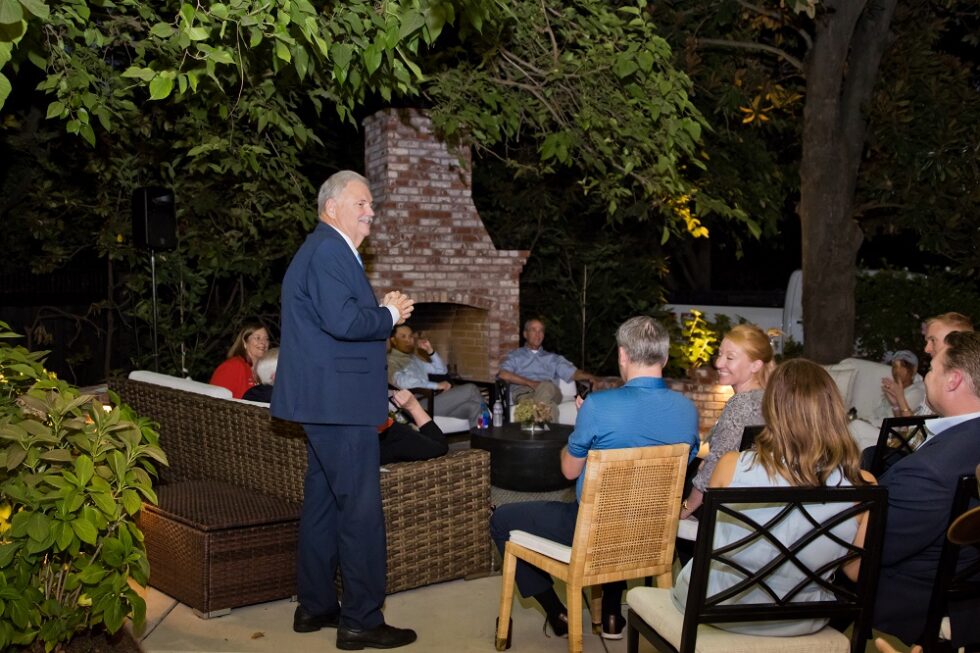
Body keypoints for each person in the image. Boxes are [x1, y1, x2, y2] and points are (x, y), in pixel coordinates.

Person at [270, 170, 417, 650]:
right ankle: (361, 619)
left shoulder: (324, 250)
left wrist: (381, 311)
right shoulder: (330, 250)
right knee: (359, 512)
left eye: (371, 204)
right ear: (331, 207)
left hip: (326, 402)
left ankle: (315, 605)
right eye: (362, 203)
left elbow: (334, 321)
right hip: (340, 404)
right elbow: (345, 321)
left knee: (324, 504)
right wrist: (390, 314)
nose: (371, 211)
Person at [490, 316, 698, 640]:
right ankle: (612, 614)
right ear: (665, 357)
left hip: (593, 533)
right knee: (622, 507)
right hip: (653, 530)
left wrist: (580, 428)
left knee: (502, 519)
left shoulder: (598, 406)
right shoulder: (687, 410)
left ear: (623, 355)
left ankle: (556, 612)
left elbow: (569, 470)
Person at [671, 359, 876, 636]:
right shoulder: (862, 485)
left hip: (718, 607)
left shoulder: (732, 466)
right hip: (802, 619)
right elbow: (856, 572)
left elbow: (717, 545)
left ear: (771, 409)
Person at [873, 330, 980, 647]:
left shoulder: (930, 472)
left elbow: (872, 550)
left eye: (932, 369)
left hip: (911, 611)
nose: (926, 376)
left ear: (953, 380)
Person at [680, 324, 773, 520]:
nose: (719, 363)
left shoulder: (740, 404)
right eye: (720, 354)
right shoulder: (768, 399)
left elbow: (715, 466)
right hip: (755, 507)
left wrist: (685, 508)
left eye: (730, 358)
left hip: (724, 509)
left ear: (755, 365)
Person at [388, 324, 483, 426]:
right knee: (471, 389)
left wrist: (430, 351)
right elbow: (402, 381)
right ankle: (491, 423)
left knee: (473, 407)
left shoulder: (413, 359)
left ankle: (482, 434)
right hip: (416, 406)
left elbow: (441, 370)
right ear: (393, 340)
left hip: (432, 401)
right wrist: (436, 385)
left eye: (410, 336)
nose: (409, 340)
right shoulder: (390, 360)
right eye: (403, 336)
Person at [498, 318, 596, 413]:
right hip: (524, 392)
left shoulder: (553, 358)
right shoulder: (515, 356)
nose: (538, 334)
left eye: (541, 331)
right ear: (525, 334)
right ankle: (543, 422)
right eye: (533, 330)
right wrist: (531, 383)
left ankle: (536, 418)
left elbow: (574, 373)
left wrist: (595, 379)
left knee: (546, 386)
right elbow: (503, 374)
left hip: (551, 391)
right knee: (550, 408)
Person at [884, 312, 973, 417]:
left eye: (933, 340)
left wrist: (900, 399)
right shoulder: (937, 381)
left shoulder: (967, 385)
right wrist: (896, 405)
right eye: (927, 341)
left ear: (955, 343)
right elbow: (914, 426)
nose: (927, 349)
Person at [209, 321, 269, 398]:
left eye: (266, 339)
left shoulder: (265, 373)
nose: (263, 342)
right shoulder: (233, 367)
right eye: (258, 338)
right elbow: (215, 401)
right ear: (244, 342)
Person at [876, 350, 925, 422]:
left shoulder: (917, 392)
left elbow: (903, 423)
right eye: (894, 366)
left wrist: (899, 397)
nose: (897, 370)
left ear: (914, 370)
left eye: (903, 366)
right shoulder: (892, 388)